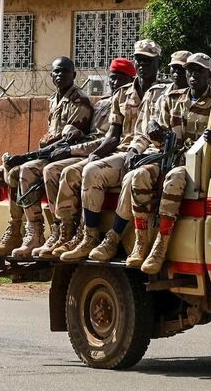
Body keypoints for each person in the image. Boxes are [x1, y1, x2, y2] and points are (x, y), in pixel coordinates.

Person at [0, 57, 93, 273]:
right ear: (51, 76)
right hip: (41, 154)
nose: (60, 75)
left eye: (65, 71)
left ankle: (26, 230)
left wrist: (25, 157)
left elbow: (65, 142)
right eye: (56, 72)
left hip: (57, 157)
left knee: (19, 171)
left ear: (74, 75)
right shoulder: (53, 100)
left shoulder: (80, 102)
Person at [97, 52, 211, 274]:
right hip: (165, 157)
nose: (193, 75)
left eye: (199, 70)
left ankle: (161, 244)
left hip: (192, 166)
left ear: (209, 74)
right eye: (190, 70)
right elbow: (156, 133)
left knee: (174, 178)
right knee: (139, 175)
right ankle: (141, 242)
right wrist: (156, 132)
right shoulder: (172, 99)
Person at [58, 39, 165, 262]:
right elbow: (113, 135)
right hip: (122, 152)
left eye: (148, 60)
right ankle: (89, 236)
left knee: (130, 179)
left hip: (149, 154)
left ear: (158, 63)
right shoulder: (122, 93)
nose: (143, 64)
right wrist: (96, 154)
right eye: (139, 60)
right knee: (90, 170)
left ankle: (113, 238)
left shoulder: (165, 93)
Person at [31, 58, 136, 259]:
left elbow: (109, 140)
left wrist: (74, 151)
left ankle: (84, 233)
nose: (115, 83)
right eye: (112, 78)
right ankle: (62, 230)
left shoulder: (134, 102)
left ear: (131, 80)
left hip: (111, 153)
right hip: (91, 151)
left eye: (121, 79)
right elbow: (91, 134)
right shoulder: (103, 103)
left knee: (71, 172)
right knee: (50, 170)